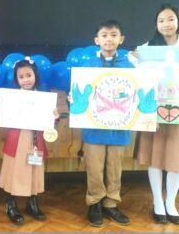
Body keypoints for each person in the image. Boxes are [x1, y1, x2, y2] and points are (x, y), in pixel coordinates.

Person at [74, 19, 133, 227]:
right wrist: (74, 98)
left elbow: (138, 93)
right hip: (94, 128)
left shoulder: (131, 65)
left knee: (115, 166)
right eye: (105, 35)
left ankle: (111, 203)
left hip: (120, 127)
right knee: (95, 166)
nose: (109, 39)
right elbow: (79, 92)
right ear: (96, 39)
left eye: (114, 34)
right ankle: (95, 202)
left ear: (121, 39)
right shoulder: (87, 66)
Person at [0, 57, 58, 224]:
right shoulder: (11, 97)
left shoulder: (44, 97)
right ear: (17, 79)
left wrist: (54, 117)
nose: (25, 80)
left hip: (36, 139)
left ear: (35, 75)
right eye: (21, 77)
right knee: (14, 169)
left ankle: (32, 202)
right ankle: (10, 204)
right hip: (17, 138)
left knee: (34, 169)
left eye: (28, 75)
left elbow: (50, 121)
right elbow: (4, 119)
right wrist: (0, 115)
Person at [134, 3, 179, 224]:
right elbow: (136, 76)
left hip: (178, 112)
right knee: (155, 156)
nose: (166, 24)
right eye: (161, 20)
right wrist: (135, 58)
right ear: (156, 25)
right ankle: (157, 202)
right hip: (154, 111)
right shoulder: (148, 49)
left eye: (170, 19)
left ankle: (171, 201)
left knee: (176, 158)